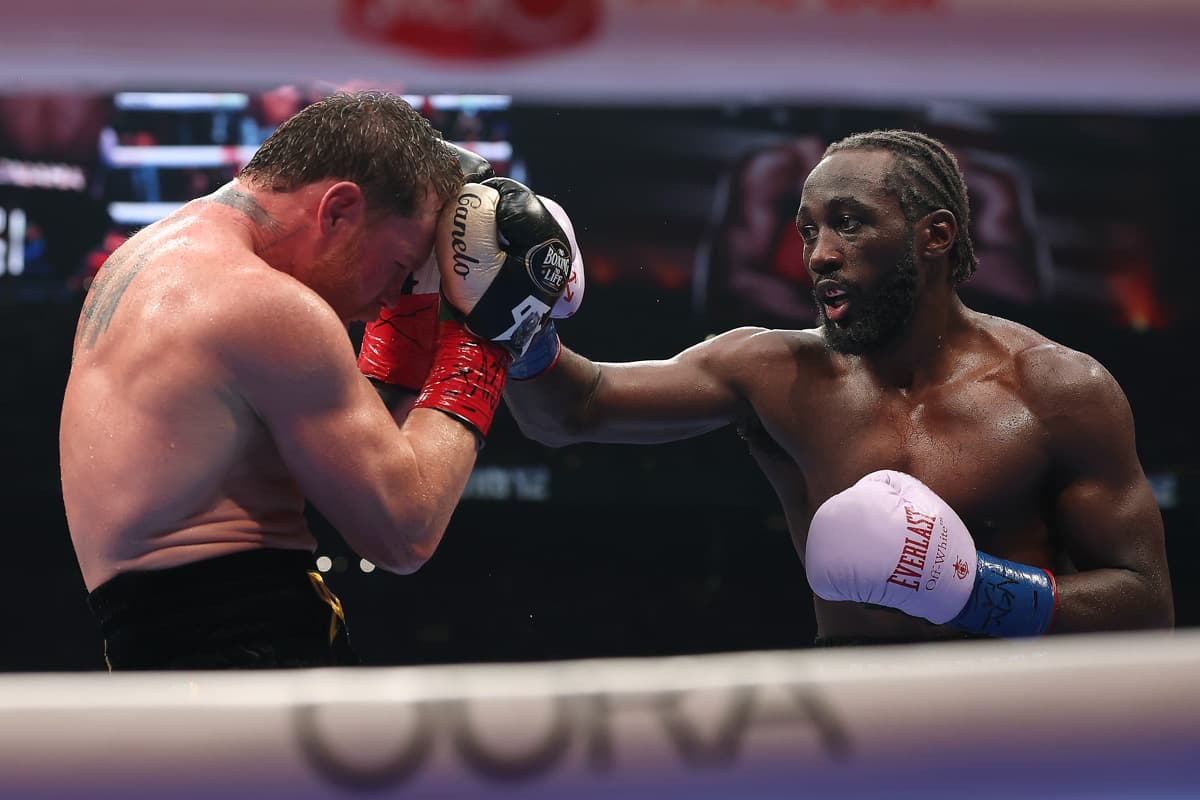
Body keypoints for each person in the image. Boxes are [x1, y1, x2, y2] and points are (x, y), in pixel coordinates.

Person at [504, 129, 1174, 644]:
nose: (818, 252)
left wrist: (978, 593)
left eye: (849, 222)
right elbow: (573, 408)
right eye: (808, 229)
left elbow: (1146, 604)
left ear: (933, 235)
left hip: (1011, 721)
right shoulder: (771, 370)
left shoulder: (1059, 389)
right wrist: (516, 322)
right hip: (853, 720)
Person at [59, 90, 574, 668]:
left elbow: (345, 457)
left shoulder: (150, 258)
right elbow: (405, 529)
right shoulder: (264, 304)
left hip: (162, 655)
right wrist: (486, 340)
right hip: (248, 657)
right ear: (338, 210)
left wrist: (404, 332)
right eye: (402, 268)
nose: (388, 296)